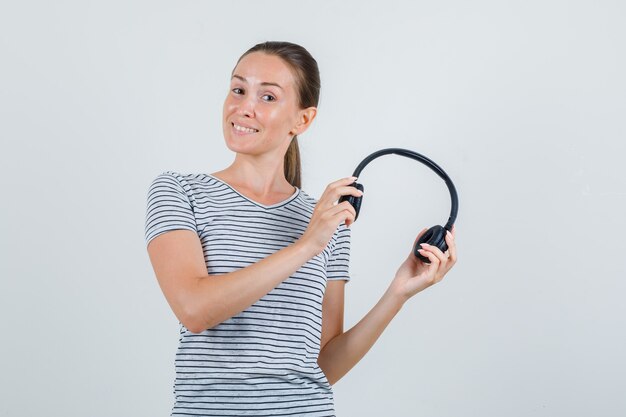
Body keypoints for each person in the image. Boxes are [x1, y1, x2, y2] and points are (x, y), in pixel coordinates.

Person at [144, 40, 457, 416]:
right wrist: (307, 244)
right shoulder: (180, 191)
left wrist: (398, 293)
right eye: (238, 89)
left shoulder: (329, 220)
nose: (244, 107)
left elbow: (323, 365)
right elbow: (194, 309)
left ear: (303, 120)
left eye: (268, 97)